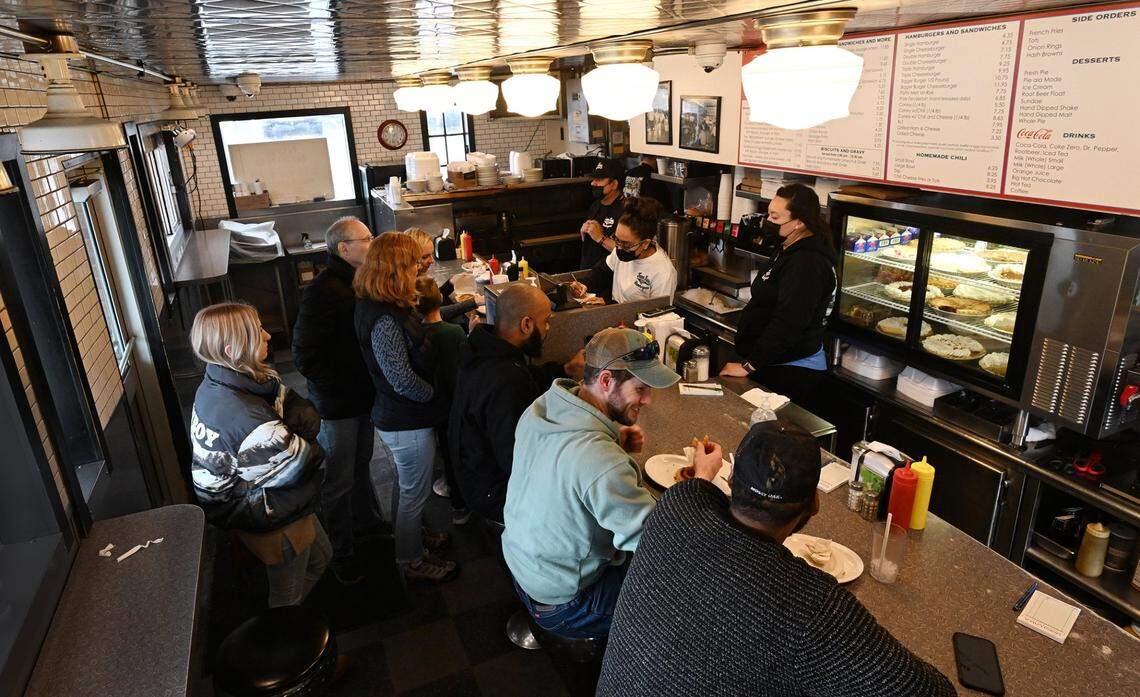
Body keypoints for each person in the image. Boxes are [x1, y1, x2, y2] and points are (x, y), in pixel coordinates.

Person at [597, 420, 956, 697]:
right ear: (814, 503)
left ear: (732, 478)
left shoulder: (678, 506)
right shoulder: (811, 607)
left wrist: (707, 470)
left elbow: (699, 490)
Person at [502, 328, 720, 639]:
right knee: (688, 592)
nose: (648, 400)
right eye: (640, 389)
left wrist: (613, 437)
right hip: (564, 604)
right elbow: (663, 544)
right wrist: (702, 481)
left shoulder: (542, 408)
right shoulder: (601, 462)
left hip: (523, 568)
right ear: (606, 381)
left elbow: (566, 462)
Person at [189, 302, 330, 607]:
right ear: (231, 349)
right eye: (257, 331)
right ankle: (283, 643)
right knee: (286, 597)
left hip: (268, 501)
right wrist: (310, 442)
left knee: (322, 558)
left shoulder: (222, 380)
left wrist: (294, 430)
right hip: (268, 515)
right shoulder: (241, 413)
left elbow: (288, 400)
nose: (267, 335)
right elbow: (300, 464)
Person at [354, 232, 457, 583]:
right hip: (405, 421)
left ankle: (408, 538)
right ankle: (410, 560)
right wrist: (436, 397)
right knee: (415, 492)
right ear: (397, 269)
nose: (419, 268)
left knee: (407, 485)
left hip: (398, 417)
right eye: (414, 263)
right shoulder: (383, 319)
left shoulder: (383, 304)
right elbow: (402, 380)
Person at [291, 216, 379, 585]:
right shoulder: (324, 291)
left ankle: (368, 528)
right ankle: (341, 553)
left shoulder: (356, 282)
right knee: (338, 480)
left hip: (360, 398)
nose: (372, 243)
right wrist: (340, 385)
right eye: (366, 238)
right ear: (344, 248)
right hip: (339, 404)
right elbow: (304, 357)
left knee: (360, 467)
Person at [448, 283, 584, 523]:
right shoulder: (506, 381)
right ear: (527, 324)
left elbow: (524, 374)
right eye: (546, 321)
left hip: (469, 472)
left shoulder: (484, 348)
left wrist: (565, 370)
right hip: (491, 490)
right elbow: (517, 458)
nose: (548, 328)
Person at [720, 183, 836, 405]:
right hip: (772, 363)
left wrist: (749, 365)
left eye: (775, 216)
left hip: (791, 371)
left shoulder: (807, 263)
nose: (768, 221)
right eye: (768, 213)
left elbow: (788, 323)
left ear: (800, 222)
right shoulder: (788, 246)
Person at [415, 276, 470, 525]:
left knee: (446, 454)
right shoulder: (454, 332)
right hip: (454, 404)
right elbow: (463, 368)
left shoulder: (415, 331)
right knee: (458, 453)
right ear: (440, 299)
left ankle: (457, 506)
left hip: (430, 405)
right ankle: (465, 502)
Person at [570, 197, 677, 304]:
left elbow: (658, 315)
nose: (619, 247)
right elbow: (603, 272)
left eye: (626, 244)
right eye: (616, 239)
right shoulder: (620, 249)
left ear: (645, 243)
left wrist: (611, 305)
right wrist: (584, 285)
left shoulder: (663, 273)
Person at [404, 228, 477, 324]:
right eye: (425, 257)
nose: (432, 260)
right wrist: (473, 302)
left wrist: (450, 283)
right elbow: (431, 314)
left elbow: (431, 301)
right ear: (410, 258)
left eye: (431, 254)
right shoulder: (408, 287)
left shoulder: (418, 277)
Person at [579, 158, 628, 269]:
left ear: (614, 184)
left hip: (609, 277)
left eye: (599, 179)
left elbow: (627, 252)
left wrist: (601, 238)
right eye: (593, 179)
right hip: (588, 272)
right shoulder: (595, 205)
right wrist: (584, 230)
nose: (593, 183)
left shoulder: (626, 211)